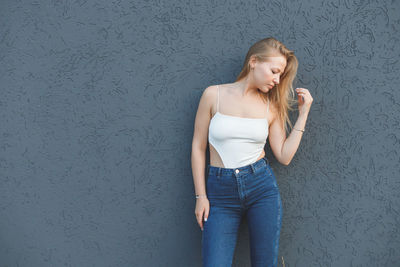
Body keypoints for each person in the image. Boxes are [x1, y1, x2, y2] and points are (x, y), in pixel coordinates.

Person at [191, 37, 313, 267]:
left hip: (261, 190)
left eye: (281, 75)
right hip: (219, 194)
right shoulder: (213, 95)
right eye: (274, 71)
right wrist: (201, 196)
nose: (277, 80)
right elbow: (198, 148)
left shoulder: (271, 106)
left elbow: (284, 156)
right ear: (254, 61)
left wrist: (304, 113)